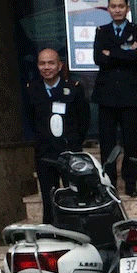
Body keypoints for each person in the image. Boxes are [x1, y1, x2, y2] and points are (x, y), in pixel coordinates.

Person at [92, 0, 137, 198]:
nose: (117, 10)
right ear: (108, 9)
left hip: (130, 96)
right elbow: (98, 57)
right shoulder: (101, 30)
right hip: (106, 95)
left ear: (127, 8)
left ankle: (130, 182)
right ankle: (109, 183)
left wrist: (111, 52)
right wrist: (124, 51)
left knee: (131, 142)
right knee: (107, 143)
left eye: (121, 6)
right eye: (113, 6)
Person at [27, 47, 89, 226]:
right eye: (42, 63)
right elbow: (31, 119)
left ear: (60, 65)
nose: (46, 67)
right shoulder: (32, 89)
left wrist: (75, 142)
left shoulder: (73, 89)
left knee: (74, 196)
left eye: (51, 63)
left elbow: (83, 120)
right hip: (45, 153)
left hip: (69, 152)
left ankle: (76, 231)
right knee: (49, 198)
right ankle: (51, 233)